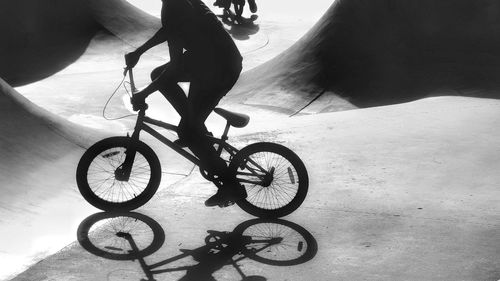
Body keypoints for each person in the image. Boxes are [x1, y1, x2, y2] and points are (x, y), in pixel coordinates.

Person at [124, 0, 246, 207]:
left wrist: (143, 93)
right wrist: (140, 51)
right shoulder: (175, 4)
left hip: (219, 67)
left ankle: (231, 186)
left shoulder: (176, 6)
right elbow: (168, 31)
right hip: (208, 61)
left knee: (189, 131)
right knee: (158, 77)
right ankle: (194, 126)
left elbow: (174, 66)